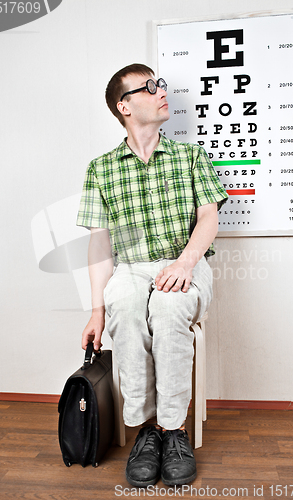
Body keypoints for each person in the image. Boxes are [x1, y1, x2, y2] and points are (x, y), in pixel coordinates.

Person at [76, 63, 228, 487]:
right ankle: (147, 430)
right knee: (122, 303)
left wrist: (184, 263)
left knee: (167, 305)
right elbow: (100, 245)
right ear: (124, 106)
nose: (161, 91)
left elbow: (208, 217)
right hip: (132, 268)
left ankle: (174, 429)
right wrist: (95, 310)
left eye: (160, 83)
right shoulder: (100, 169)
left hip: (187, 260)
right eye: (149, 87)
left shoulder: (190, 155)